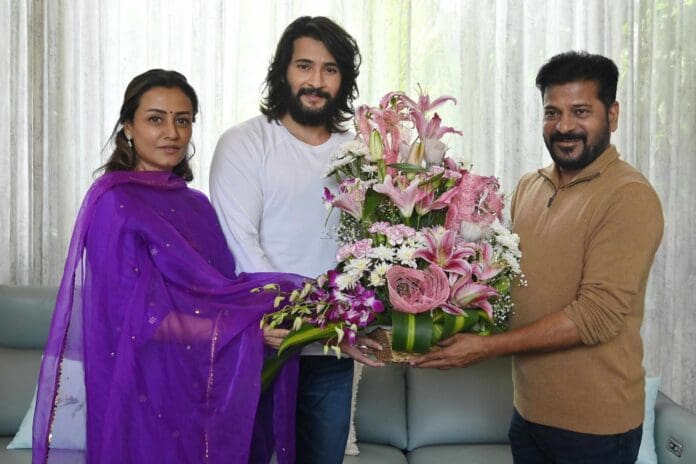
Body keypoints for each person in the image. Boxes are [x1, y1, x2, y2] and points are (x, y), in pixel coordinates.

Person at [32, 69, 305, 464]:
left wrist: (289, 295)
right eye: (156, 119)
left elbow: (217, 292)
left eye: (183, 120)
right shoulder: (114, 203)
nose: (172, 133)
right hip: (142, 386)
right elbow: (136, 317)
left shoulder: (197, 205)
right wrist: (249, 333)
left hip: (197, 384)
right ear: (128, 126)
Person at [412, 51, 664, 463]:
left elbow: (595, 315)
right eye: (552, 112)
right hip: (529, 415)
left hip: (595, 429)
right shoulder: (531, 185)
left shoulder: (629, 196)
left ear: (612, 115)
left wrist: (484, 349)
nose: (564, 126)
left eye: (581, 111)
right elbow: (508, 284)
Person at [210, 16, 381, 464]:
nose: (316, 81)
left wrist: (340, 321)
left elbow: (374, 248)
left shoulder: (360, 153)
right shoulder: (245, 143)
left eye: (329, 69)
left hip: (331, 350)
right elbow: (241, 243)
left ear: (343, 81)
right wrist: (304, 317)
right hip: (263, 342)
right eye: (304, 66)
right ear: (282, 71)